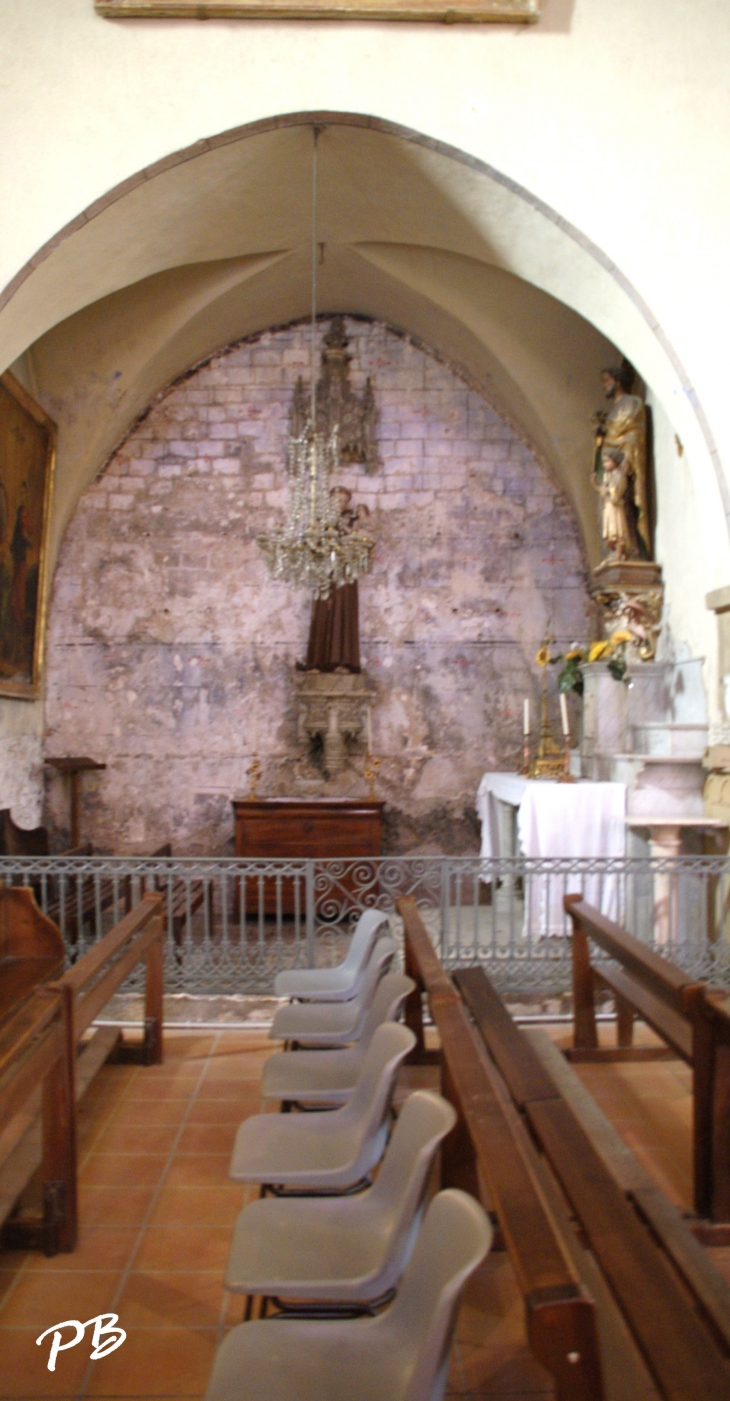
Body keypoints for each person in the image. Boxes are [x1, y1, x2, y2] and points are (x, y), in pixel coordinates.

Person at [304, 488, 371, 673]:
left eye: (343, 501)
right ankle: (316, 662)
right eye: (337, 500)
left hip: (345, 572)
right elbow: (313, 545)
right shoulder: (320, 522)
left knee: (343, 613)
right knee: (322, 613)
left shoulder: (351, 521)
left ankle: (343, 662)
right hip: (325, 572)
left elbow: (361, 542)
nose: (340, 504)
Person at [593, 363, 650, 558]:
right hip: (609, 470)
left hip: (623, 468)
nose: (604, 385)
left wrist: (625, 459)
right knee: (607, 512)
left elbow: (634, 434)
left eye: (607, 381)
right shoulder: (610, 413)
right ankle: (613, 552)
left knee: (623, 510)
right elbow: (608, 439)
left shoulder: (632, 403)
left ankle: (629, 551)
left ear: (618, 380)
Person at [595, 447, 637, 561]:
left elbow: (617, 492)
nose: (604, 464)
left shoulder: (619, 475)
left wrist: (607, 490)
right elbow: (605, 492)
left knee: (617, 532)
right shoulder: (608, 476)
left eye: (607, 461)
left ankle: (619, 553)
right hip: (609, 507)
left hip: (616, 507)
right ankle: (615, 553)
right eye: (603, 462)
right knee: (609, 535)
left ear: (615, 461)